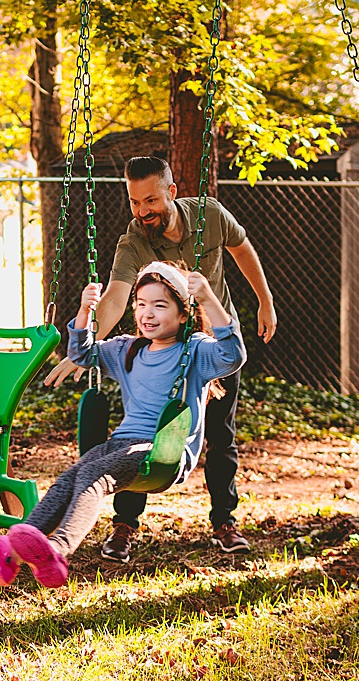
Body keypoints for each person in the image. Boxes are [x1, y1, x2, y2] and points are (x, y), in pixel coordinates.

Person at [44, 156, 277, 561]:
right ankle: (124, 527)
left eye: (150, 200)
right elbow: (117, 297)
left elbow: (243, 250)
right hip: (165, 346)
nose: (142, 211)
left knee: (221, 435)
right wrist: (88, 342)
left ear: (171, 192)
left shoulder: (209, 214)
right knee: (139, 433)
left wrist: (265, 301)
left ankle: (224, 519)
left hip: (211, 342)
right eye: (135, 202)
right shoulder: (134, 239)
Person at [0, 261, 246, 588]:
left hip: (164, 452)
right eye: (141, 304)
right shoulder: (127, 349)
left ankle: (57, 550)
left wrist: (210, 300)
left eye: (160, 305)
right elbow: (83, 354)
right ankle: (8, 554)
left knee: (92, 475)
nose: (148, 314)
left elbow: (233, 355)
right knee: (69, 477)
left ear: (184, 314)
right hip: (123, 444)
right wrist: (86, 312)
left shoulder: (195, 350)